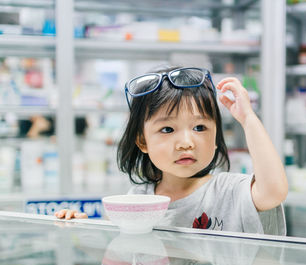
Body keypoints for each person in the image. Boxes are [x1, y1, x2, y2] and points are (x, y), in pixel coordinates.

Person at [55, 66, 288, 235]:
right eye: (167, 129)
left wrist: (248, 119)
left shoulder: (229, 191)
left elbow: (274, 191)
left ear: (216, 137)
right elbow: (118, 250)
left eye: (200, 127)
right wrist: (84, 227)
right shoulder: (138, 199)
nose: (186, 142)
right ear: (142, 141)